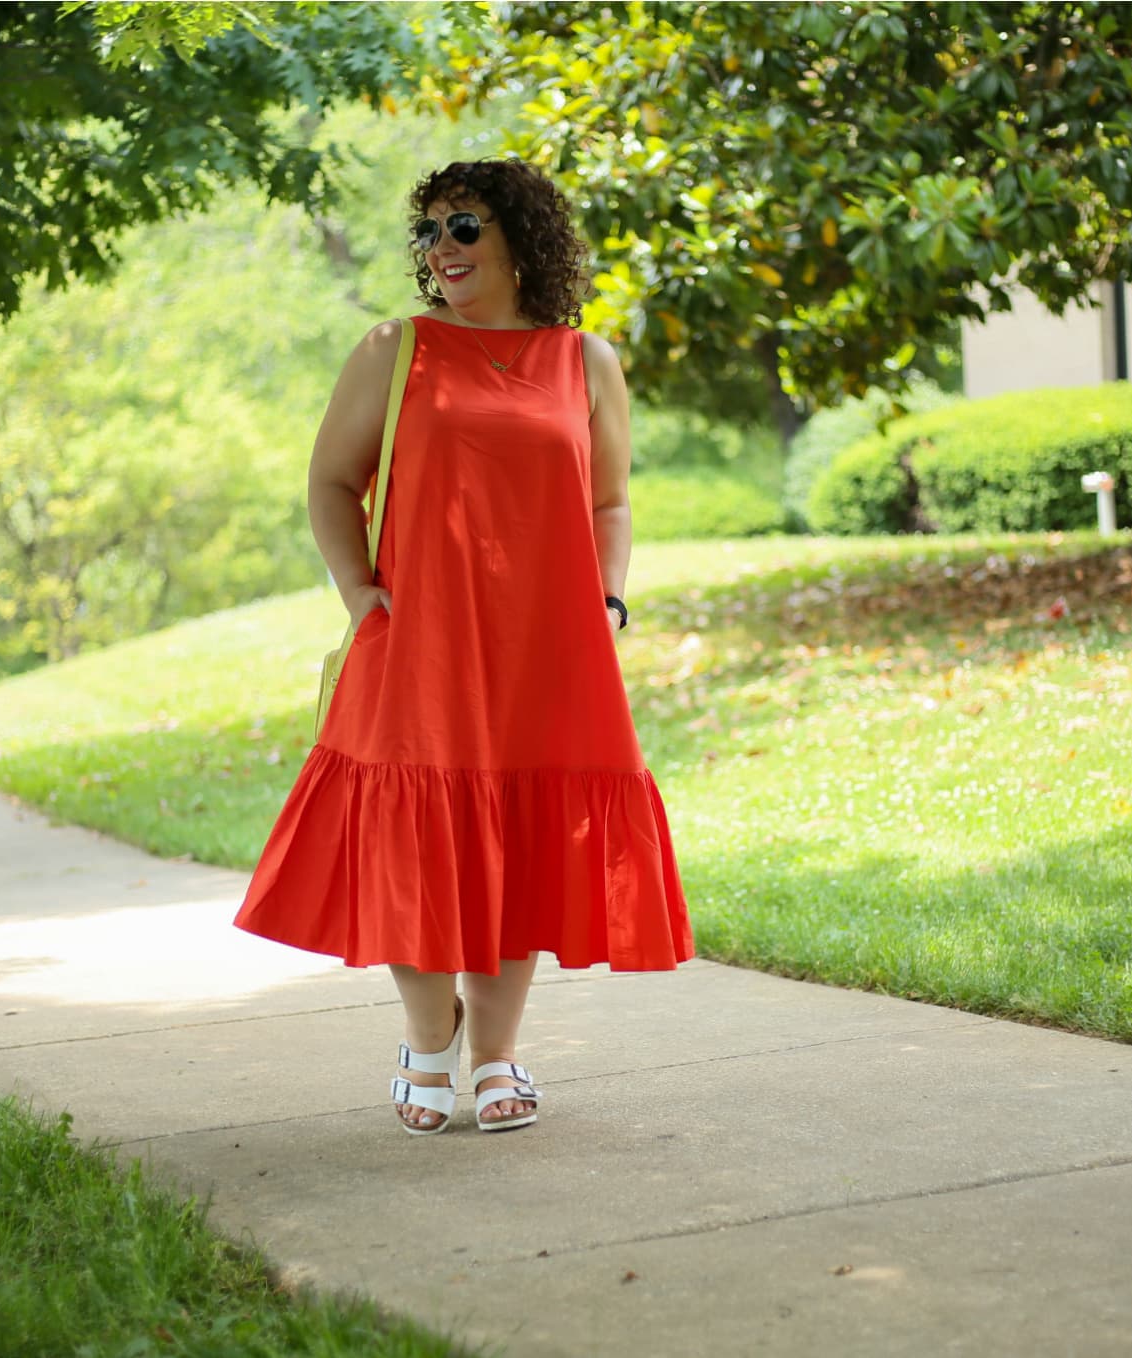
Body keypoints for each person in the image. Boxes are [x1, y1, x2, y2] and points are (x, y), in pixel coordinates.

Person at [234, 158, 693, 1136]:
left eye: (464, 227)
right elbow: (330, 483)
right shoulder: (394, 350)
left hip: (546, 647)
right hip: (419, 642)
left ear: (523, 238)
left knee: (520, 839)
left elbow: (609, 501)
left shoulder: (586, 362)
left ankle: (497, 1053)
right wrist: (360, 595)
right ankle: (425, 1034)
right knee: (413, 836)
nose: (442, 249)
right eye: (430, 232)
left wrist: (608, 604)